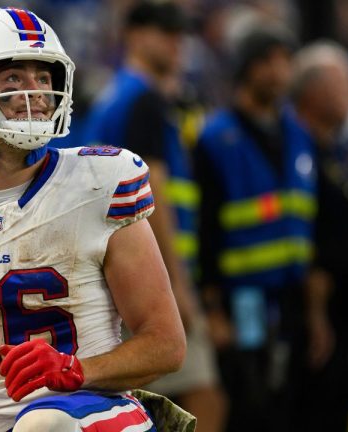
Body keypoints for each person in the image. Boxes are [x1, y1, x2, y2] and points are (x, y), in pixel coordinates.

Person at [0, 7, 188, 432]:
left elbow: (166, 344)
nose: (39, 93)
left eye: (44, 78)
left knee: (45, 423)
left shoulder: (100, 182)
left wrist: (78, 369)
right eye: (15, 79)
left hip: (96, 414)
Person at [83, 2, 226, 432]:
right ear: (136, 35)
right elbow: (151, 195)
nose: (177, 43)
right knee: (206, 395)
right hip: (146, 270)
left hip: (114, 268)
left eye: (179, 34)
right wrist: (177, 285)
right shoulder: (142, 100)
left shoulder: (114, 98)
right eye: (166, 33)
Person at [194, 23, 312, 432]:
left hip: (292, 297)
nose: (279, 71)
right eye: (268, 61)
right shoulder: (215, 137)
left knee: (290, 405)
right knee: (247, 404)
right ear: (246, 68)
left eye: (285, 60)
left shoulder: (296, 134)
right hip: (239, 298)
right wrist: (212, 308)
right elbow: (205, 229)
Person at [290, 41, 348, 432]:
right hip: (321, 312)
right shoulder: (300, 154)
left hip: (347, 311)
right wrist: (316, 312)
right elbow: (313, 237)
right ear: (315, 91)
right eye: (344, 84)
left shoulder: (337, 151)